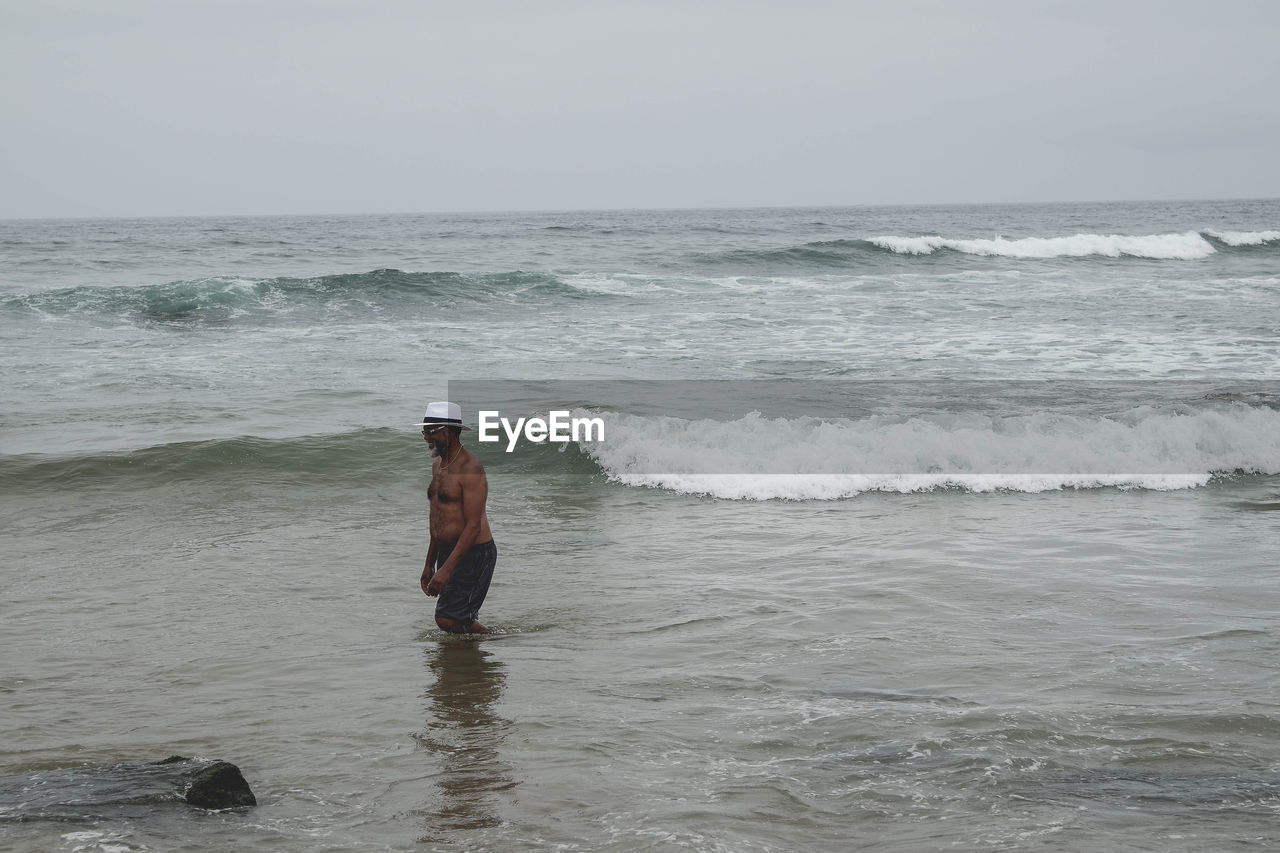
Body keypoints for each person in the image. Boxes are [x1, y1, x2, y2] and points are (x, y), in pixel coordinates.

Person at [415, 401, 497, 634]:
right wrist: (430, 563)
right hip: (449, 551)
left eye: (431, 432)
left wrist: (446, 570)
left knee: (448, 618)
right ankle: (468, 657)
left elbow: (472, 525)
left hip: (475, 554)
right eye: (424, 431)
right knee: (453, 618)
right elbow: (438, 518)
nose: (425, 437)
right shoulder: (437, 466)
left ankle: (497, 640)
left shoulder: (470, 468)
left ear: (450, 432)